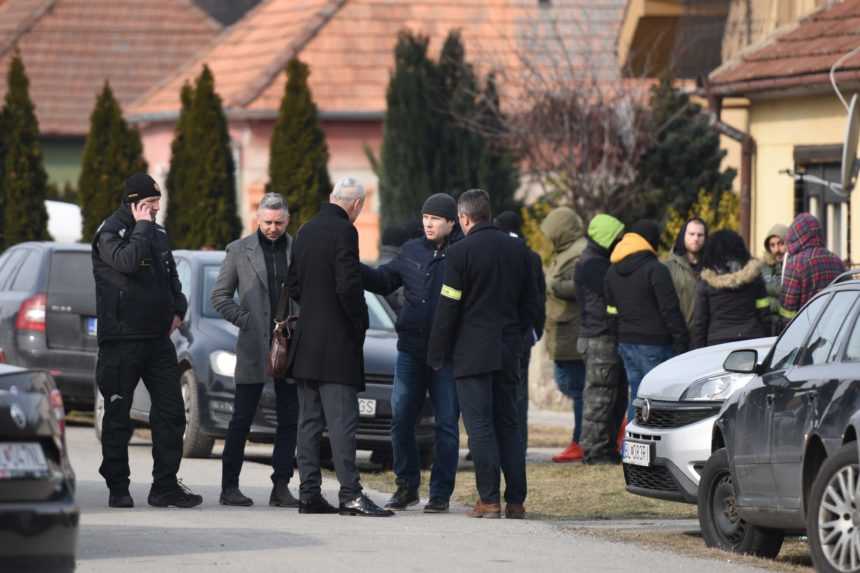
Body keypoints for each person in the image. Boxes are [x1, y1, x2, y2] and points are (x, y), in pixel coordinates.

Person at [91, 173, 202, 509]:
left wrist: (178, 308)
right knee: (117, 416)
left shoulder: (158, 232)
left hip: (157, 340)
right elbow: (126, 263)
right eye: (150, 204)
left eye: (157, 203)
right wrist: (141, 226)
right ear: (134, 203)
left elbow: (171, 277)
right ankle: (118, 487)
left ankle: (164, 486)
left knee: (172, 413)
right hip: (121, 339)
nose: (155, 209)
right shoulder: (110, 233)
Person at [428, 189, 539, 520]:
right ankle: (516, 501)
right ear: (488, 214)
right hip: (509, 350)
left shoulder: (459, 253)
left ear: (463, 218)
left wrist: (437, 351)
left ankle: (489, 500)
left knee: (479, 426)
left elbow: (449, 305)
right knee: (509, 424)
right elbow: (532, 304)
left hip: (471, 352)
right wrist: (518, 338)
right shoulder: (519, 250)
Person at [286, 176, 393, 517]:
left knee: (308, 423)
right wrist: (359, 322)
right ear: (357, 204)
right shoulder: (345, 231)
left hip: (305, 344)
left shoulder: (305, 230)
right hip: (337, 346)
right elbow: (348, 285)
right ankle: (350, 495)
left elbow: (293, 284)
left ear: (333, 197)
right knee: (342, 423)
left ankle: (309, 494)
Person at [360, 193, 462, 513]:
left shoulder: (463, 253)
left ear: (451, 222)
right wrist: (354, 266)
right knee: (401, 418)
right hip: (410, 350)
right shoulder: (411, 249)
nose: (428, 224)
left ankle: (441, 493)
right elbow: (384, 280)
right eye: (425, 218)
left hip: (447, 355)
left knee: (446, 424)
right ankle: (406, 486)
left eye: (435, 219)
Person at [210, 193, 299, 507]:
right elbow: (219, 297)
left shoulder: (298, 249)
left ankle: (281, 487)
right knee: (241, 418)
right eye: (268, 222)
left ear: (287, 220)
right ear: (257, 219)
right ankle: (229, 487)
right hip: (252, 345)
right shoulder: (239, 250)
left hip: (289, 344)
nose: (273, 228)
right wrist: (246, 321)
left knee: (290, 418)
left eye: (279, 223)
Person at [604, 220, 688, 422]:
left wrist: (617, 339)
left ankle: (632, 439)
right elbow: (669, 309)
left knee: (637, 395)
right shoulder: (656, 270)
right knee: (658, 399)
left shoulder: (611, 271)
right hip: (656, 344)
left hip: (626, 343)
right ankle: (653, 439)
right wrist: (681, 341)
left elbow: (611, 312)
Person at [574, 214, 627, 465]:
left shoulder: (594, 261)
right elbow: (613, 294)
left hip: (598, 336)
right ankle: (595, 451)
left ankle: (604, 448)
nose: (621, 243)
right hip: (599, 338)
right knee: (600, 397)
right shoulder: (594, 265)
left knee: (611, 396)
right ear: (607, 238)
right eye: (618, 238)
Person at [494, 210, 546, 461]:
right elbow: (538, 298)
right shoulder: (530, 256)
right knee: (518, 394)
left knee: (493, 392)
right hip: (522, 334)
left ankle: (491, 445)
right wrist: (534, 331)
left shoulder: (495, 253)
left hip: (496, 333)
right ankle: (518, 445)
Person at [539, 207, 587, 463]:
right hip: (562, 330)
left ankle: (580, 441)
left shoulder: (578, 253)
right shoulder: (565, 252)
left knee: (576, 388)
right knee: (571, 385)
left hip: (572, 330)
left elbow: (582, 286)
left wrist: (554, 286)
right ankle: (583, 438)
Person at [691, 230, 770, 349]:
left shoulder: (706, 282)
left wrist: (698, 350)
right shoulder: (755, 278)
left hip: (717, 343)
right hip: (752, 339)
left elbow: (700, 322)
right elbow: (764, 313)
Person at [780, 213, 846, 322]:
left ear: (795, 235)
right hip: (835, 326)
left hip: (806, 327)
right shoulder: (837, 261)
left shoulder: (795, 264)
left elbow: (788, 310)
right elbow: (846, 299)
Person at [664, 218, 707, 329]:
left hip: (705, 334)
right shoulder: (668, 268)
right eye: (691, 234)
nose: (696, 239)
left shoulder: (712, 267)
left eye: (700, 235)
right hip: (678, 333)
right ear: (684, 235)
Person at [760, 223, 787, 334]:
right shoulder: (762, 267)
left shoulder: (794, 266)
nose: (777, 249)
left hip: (789, 323)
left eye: (781, 243)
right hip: (768, 325)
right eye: (772, 245)